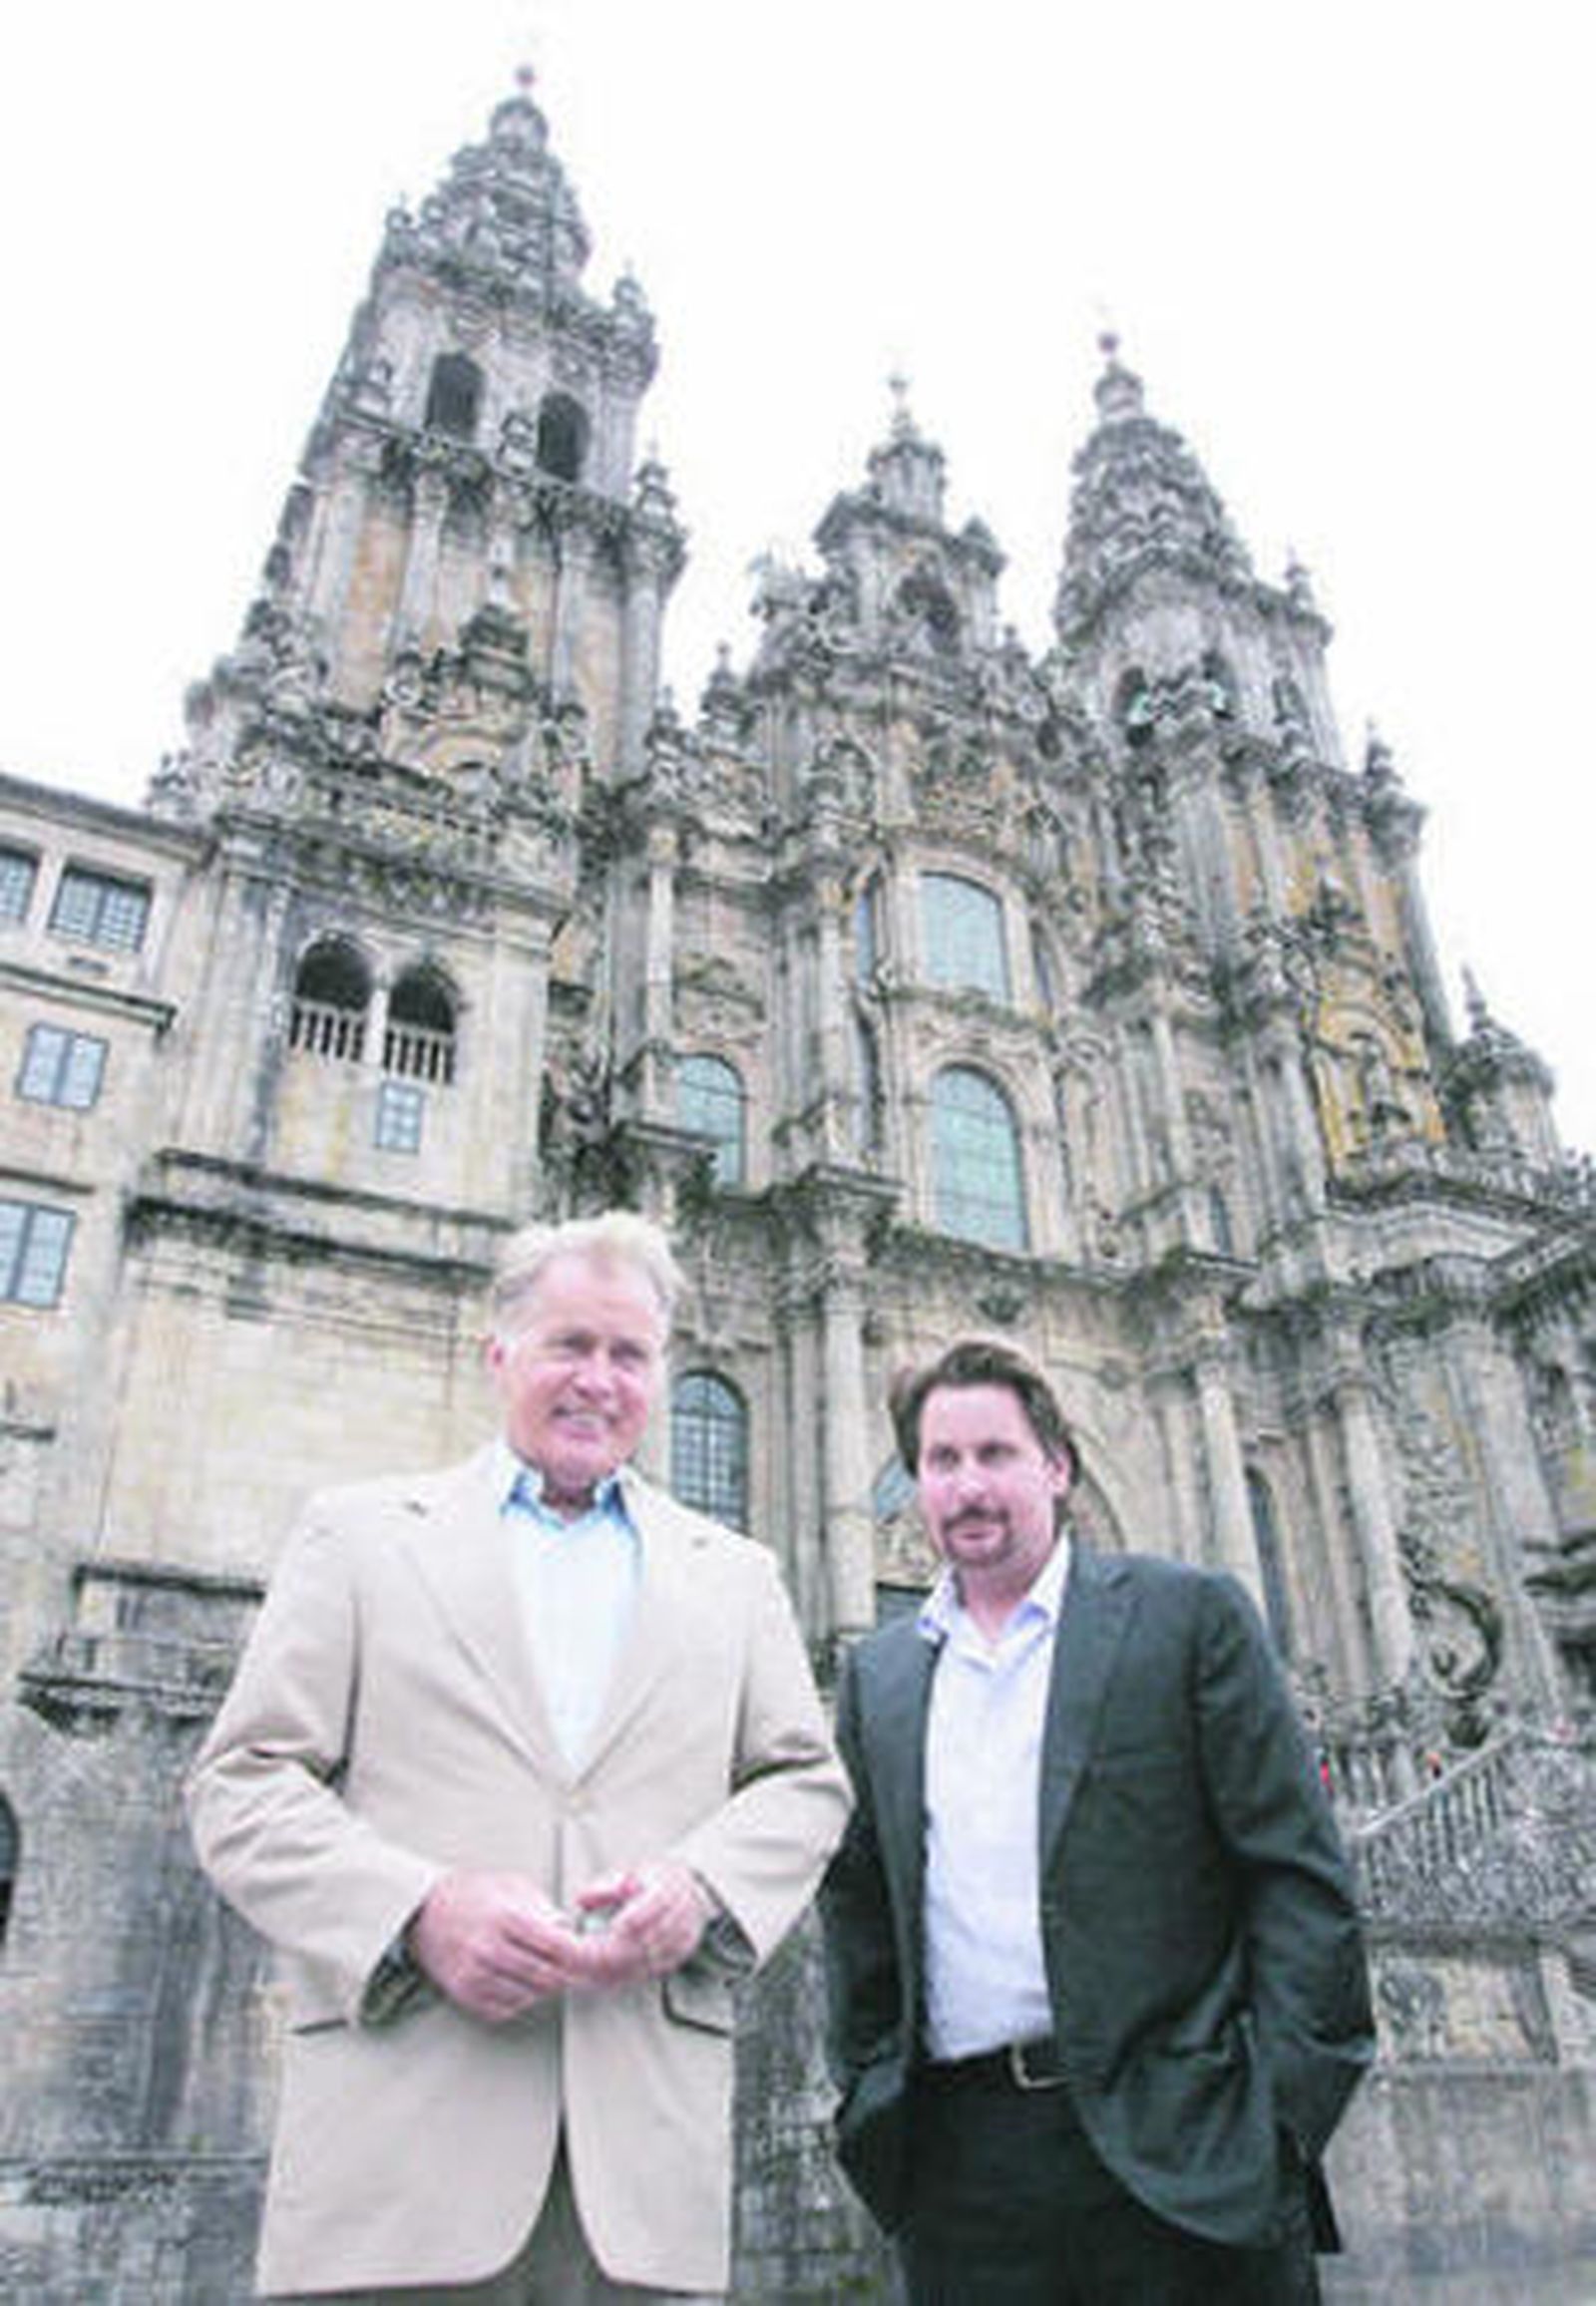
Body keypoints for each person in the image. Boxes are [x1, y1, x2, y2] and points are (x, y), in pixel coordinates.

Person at [188, 1210, 849, 2304]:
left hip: (644, 2185)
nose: (600, 1378)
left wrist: (703, 1886)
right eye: (569, 1344)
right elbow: (241, 1781)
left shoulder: (735, 1574)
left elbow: (804, 1782)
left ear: (661, 1371)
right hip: (394, 2170)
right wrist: (416, 1908)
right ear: (499, 1353)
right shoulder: (355, 1534)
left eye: (629, 1353)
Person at [820, 1335, 1374, 2305]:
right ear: (914, 1483)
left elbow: (1297, 1879)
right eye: (940, 1460)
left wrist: (1275, 2127)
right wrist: (876, 2105)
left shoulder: (1185, 1616)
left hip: (1188, 2160)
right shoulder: (882, 1675)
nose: (967, 1483)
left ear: (1058, 1465)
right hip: (964, 2179)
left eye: (995, 1452)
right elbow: (859, 1910)